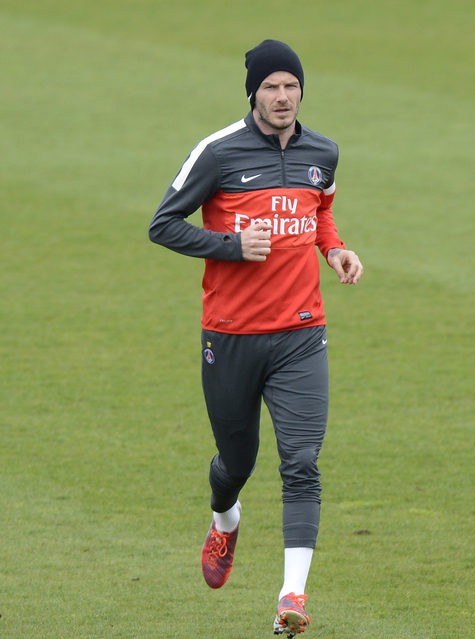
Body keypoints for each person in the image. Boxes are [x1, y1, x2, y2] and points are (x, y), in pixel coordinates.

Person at [149, 39, 363, 637]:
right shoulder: (218, 153)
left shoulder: (325, 151)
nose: (283, 96)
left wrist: (335, 248)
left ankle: (291, 597)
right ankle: (225, 521)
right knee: (235, 463)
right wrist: (229, 247)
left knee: (301, 462)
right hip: (232, 336)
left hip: (301, 334)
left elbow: (318, 210)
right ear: (253, 93)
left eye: (291, 85)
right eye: (271, 86)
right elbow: (161, 225)